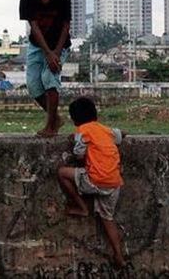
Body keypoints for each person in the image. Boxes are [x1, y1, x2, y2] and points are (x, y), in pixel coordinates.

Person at [57, 97, 127, 268]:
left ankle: (81, 206)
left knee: (62, 173)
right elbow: (121, 134)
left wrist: (76, 140)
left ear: (75, 119)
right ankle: (119, 255)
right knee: (107, 218)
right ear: (95, 114)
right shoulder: (106, 130)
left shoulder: (83, 131)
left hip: (94, 180)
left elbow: (79, 154)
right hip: (114, 182)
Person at [19, 0, 71, 138]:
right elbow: (34, 27)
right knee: (33, 86)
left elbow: (66, 25)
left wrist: (55, 53)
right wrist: (47, 53)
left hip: (60, 45)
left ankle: (51, 126)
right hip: (37, 46)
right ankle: (55, 117)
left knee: (49, 79)